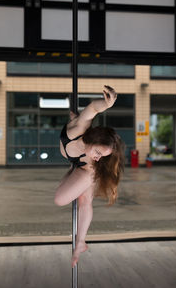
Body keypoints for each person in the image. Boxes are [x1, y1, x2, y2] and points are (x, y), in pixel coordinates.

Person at [54, 85, 126, 267]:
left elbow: (95, 156)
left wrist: (92, 161)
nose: (97, 157)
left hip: (86, 171)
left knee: (68, 200)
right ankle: (80, 243)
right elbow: (93, 108)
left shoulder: (93, 162)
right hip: (78, 165)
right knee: (78, 197)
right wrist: (107, 104)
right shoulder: (79, 127)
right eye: (97, 152)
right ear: (92, 138)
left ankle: (80, 242)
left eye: (102, 156)